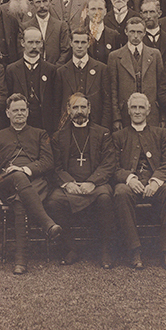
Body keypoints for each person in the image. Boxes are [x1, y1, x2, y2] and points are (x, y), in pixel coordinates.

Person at [0, 94, 63, 274]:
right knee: (16, 176)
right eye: (15, 111)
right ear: (7, 113)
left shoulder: (40, 134)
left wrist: (25, 169)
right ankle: (47, 224)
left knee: (20, 200)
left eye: (23, 110)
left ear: (28, 112)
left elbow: (48, 162)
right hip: (5, 182)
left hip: (35, 181)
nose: (19, 114)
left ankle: (21, 260)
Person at [46, 93, 116, 268]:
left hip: (95, 185)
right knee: (54, 201)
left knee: (106, 198)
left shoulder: (103, 133)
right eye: (75, 107)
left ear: (89, 109)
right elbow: (55, 166)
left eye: (83, 107)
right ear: (68, 110)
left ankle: (105, 250)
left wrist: (92, 182)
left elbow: (109, 163)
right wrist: (68, 183)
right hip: (69, 186)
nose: (79, 111)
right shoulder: (59, 136)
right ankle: (71, 248)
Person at [112, 93, 166, 270]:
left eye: (141, 107)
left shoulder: (161, 133)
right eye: (133, 108)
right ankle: (134, 250)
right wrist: (129, 178)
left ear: (148, 111)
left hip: (154, 183)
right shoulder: (118, 136)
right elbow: (112, 166)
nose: (137, 111)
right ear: (128, 111)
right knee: (120, 192)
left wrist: (155, 181)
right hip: (131, 184)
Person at [108, 17, 163, 129]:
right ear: (126, 32)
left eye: (139, 32)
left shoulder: (155, 55)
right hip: (125, 113)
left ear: (144, 33)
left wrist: (163, 117)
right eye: (132, 32)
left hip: (151, 113)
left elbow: (161, 88)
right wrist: (116, 118)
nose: (136, 36)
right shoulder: (115, 56)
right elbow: (113, 89)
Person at [5, 28, 59, 135]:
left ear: (42, 44)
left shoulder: (51, 70)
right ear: (22, 43)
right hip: (21, 124)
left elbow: (55, 100)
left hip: (44, 123)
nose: (34, 46)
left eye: (37, 42)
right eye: (30, 42)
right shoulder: (12, 69)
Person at [55, 29, 111, 129]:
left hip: (95, 126)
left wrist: (104, 128)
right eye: (76, 42)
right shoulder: (61, 72)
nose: (79, 46)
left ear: (89, 44)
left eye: (83, 42)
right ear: (71, 43)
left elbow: (106, 102)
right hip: (69, 128)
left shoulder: (101, 69)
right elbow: (58, 104)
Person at [27, 0, 71, 65]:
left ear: (50, 2)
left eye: (45, 1)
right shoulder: (25, 27)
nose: (42, 6)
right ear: (32, 4)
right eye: (38, 2)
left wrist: (55, 69)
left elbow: (65, 51)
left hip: (56, 71)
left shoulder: (61, 26)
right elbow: (23, 51)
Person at [83, 0, 121, 64]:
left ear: (105, 12)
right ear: (87, 12)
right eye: (93, 9)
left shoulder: (114, 35)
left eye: (100, 9)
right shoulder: (81, 34)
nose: (97, 13)